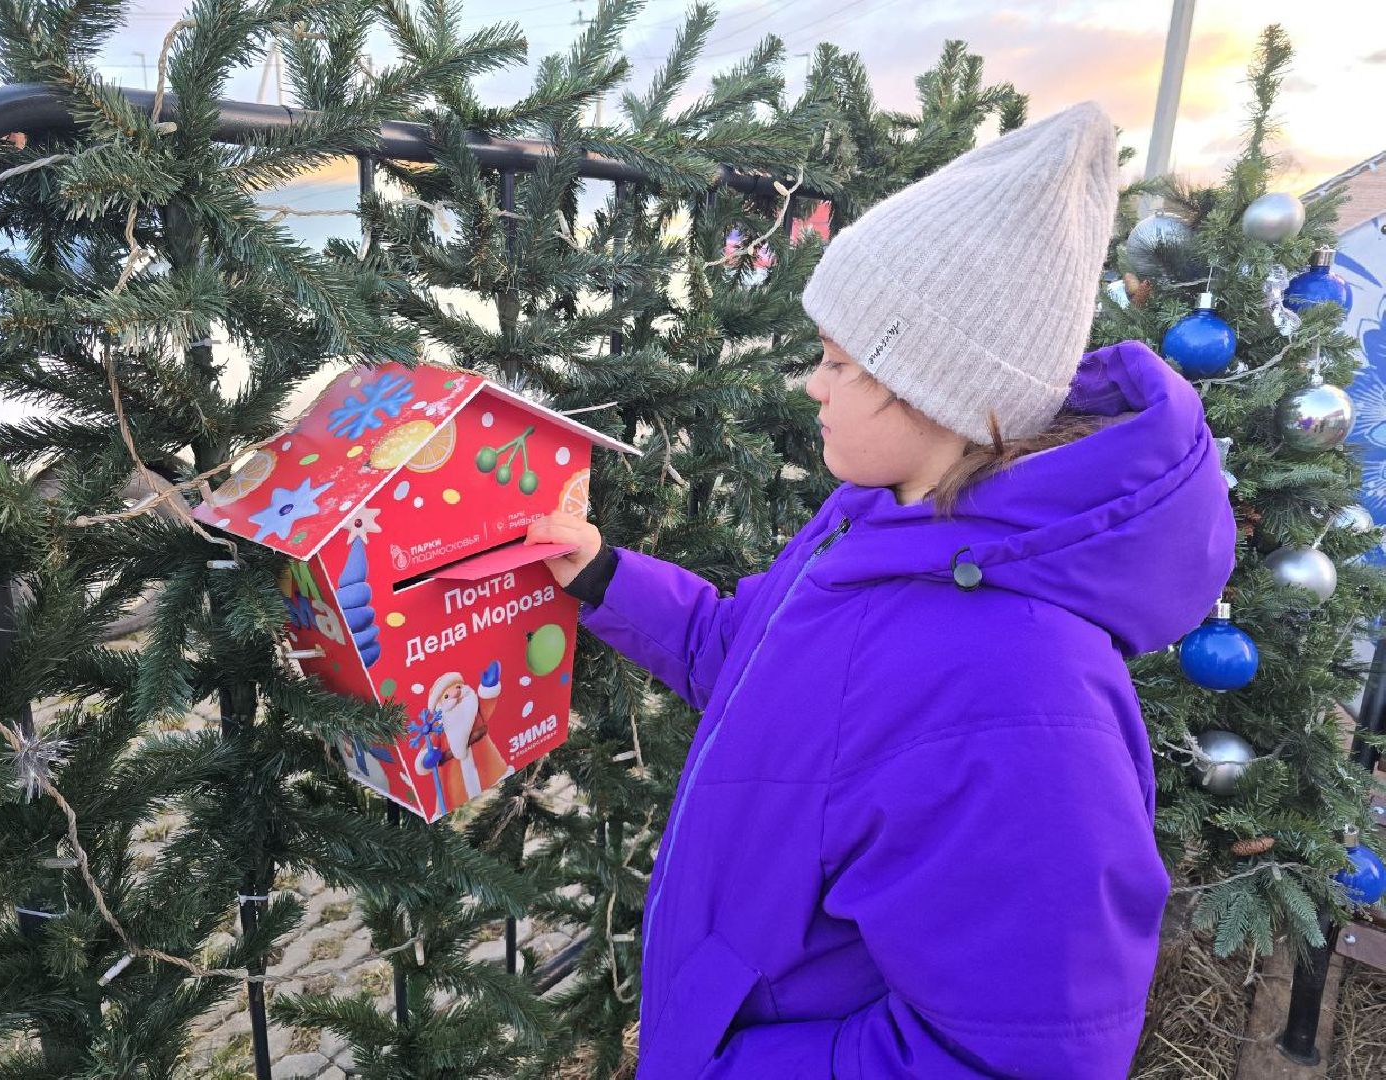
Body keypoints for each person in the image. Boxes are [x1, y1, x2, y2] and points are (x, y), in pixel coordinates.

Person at [523, 101, 1235, 1078]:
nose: (811, 385)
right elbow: (749, 657)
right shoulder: (880, 521)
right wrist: (604, 575)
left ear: (945, 391)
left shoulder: (1018, 697)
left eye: (839, 362)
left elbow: (1015, 1059)